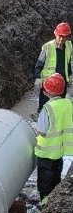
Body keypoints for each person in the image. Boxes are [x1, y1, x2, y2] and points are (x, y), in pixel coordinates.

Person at [35, 73, 73, 203]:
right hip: (59, 151)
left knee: (44, 184)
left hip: (46, 153)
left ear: (47, 92)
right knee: (56, 179)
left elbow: (42, 132)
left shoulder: (48, 108)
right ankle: (54, 202)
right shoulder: (68, 103)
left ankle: (45, 206)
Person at [34, 23, 72, 113]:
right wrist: (38, 78)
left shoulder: (69, 46)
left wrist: (70, 75)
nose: (62, 39)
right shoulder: (48, 47)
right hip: (48, 84)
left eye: (64, 36)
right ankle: (42, 122)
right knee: (44, 108)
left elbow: (68, 62)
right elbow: (39, 64)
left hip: (62, 84)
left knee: (58, 108)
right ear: (55, 34)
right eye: (60, 36)